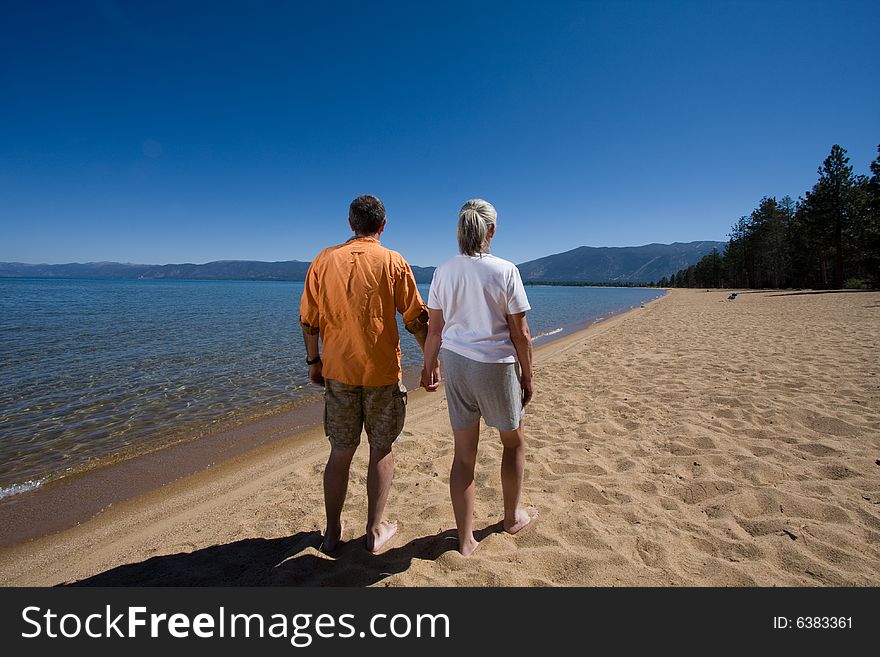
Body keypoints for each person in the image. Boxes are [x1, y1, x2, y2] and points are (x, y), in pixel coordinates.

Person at [299, 194, 428, 553]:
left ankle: (331, 533)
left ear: (350, 224)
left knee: (340, 451)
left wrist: (314, 362)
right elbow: (416, 319)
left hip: (338, 370)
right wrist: (432, 361)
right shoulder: (393, 261)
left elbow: (309, 320)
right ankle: (373, 530)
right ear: (383, 226)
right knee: (381, 449)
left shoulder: (324, 260)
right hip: (382, 373)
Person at [421, 199, 537, 556]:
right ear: (491, 230)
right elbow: (521, 333)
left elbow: (435, 331)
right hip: (495, 366)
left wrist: (429, 367)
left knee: (464, 455)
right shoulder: (505, 271)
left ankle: (466, 539)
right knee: (513, 442)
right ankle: (511, 517)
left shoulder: (443, 271)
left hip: (456, 364)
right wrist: (528, 376)